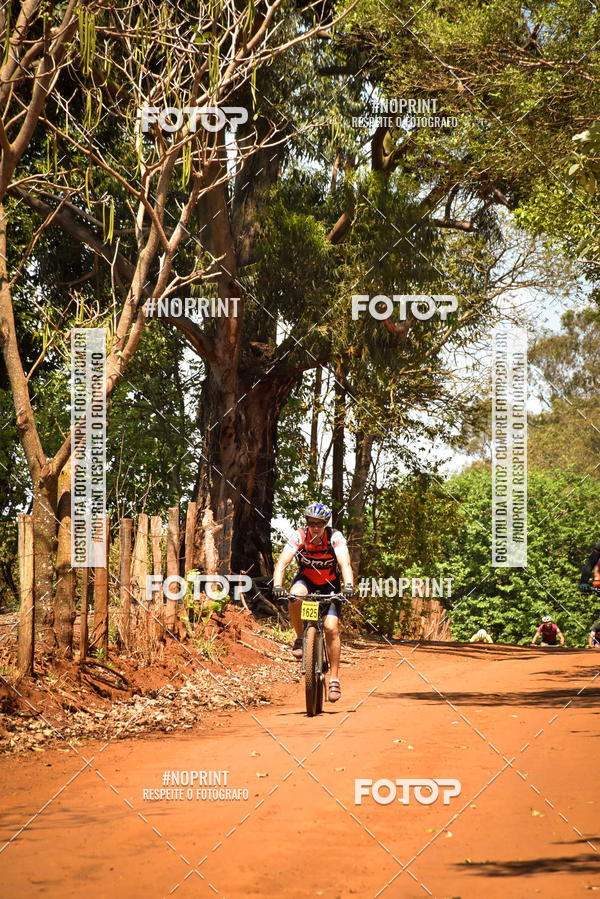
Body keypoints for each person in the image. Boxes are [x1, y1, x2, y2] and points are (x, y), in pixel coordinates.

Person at [272, 502, 354, 702]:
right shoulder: (299, 535)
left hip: (330, 585)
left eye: (319, 523)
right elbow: (283, 562)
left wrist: (349, 585)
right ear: (306, 522)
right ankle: (301, 637)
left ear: (326, 523)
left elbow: (345, 563)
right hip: (306, 580)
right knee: (295, 595)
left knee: (330, 628)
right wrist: (277, 584)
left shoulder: (334, 537)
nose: (315, 527)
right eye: (311, 523)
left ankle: (334, 678)